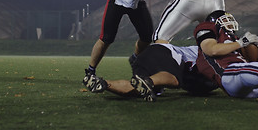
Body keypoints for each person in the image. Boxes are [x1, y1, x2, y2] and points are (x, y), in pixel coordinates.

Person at [84, 43, 218, 101]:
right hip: (164, 52)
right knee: (174, 80)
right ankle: (149, 81)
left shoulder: (207, 52)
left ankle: (104, 83)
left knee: (136, 88)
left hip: (147, 55)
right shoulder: (209, 54)